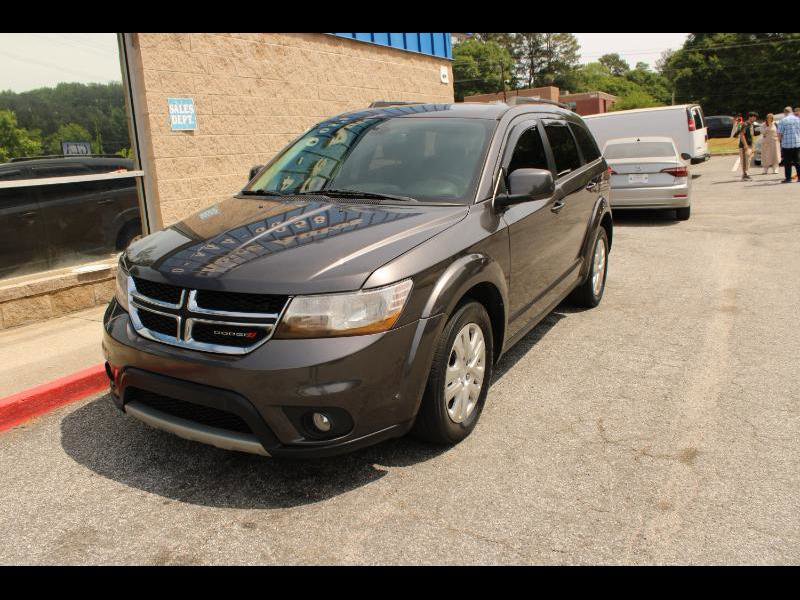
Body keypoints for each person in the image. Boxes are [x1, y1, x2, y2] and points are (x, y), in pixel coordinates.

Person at [777, 106, 800, 183]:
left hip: (786, 145)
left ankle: (788, 178)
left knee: (787, 162)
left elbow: (780, 134)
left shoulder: (783, 120)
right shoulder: (798, 119)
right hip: (797, 144)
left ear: (785, 112)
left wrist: (779, 143)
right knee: (797, 162)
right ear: (791, 112)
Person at [737, 112, 758, 180]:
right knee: (744, 160)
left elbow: (751, 136)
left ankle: (746, 174)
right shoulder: (745, 124)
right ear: (750, 117)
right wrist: (745, 145)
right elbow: (742, 135)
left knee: (748, 160)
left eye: (755, 117)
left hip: (750, 145)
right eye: (754, 117)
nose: (755, 118)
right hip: (744, 146)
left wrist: (752, 146)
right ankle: (744, 175)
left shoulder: (751, 125)